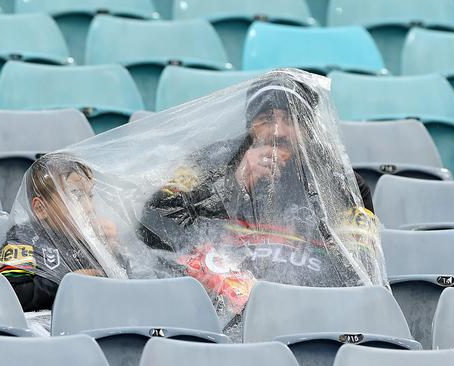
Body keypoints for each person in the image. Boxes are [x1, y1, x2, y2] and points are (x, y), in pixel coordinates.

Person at [138, 72, 380, 318]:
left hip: (308, 315)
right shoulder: (210, 163)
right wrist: (230, 187)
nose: (278, 131)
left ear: (308, 128)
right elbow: (152, 225)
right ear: (249, 123)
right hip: (217, 311)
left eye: (291, 120)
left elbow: (359, 270)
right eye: (267, 118)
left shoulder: (341, 184)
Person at [0, 153, 121, 311]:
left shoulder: (91, 238)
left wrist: (112, 250)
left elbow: (121, 285)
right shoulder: (22, 239)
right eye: (75, 196)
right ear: (41, 209)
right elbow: (10, 294)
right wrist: (65, 282)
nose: (89, 207)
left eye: (90, 196)